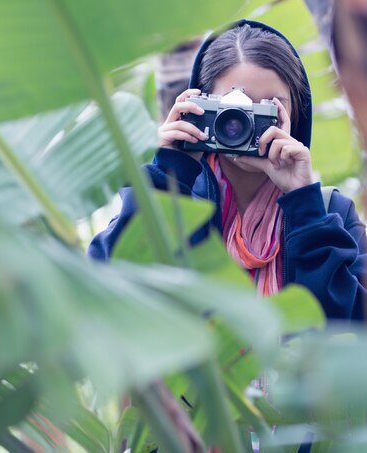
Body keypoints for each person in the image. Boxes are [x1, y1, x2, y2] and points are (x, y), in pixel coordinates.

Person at [88, 19, 367, 321]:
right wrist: (168, 175)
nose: (245, 123)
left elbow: (350, 328)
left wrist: (303, 205)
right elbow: (106, 292)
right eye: (236, 107)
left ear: (296, 114)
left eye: (269, 108)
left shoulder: (330, 213)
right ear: (201, 107)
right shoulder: (178, 203)